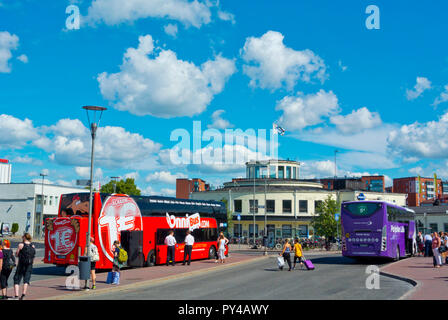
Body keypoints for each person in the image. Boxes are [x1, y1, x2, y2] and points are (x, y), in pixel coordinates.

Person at [13, 233, 35, 300]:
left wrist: (17, 254)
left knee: (16, 279)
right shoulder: (32, 245)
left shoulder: (21, 245)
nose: (22, 238)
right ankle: (23, 295)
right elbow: (33, 256)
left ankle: (16, 296)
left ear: (24, 237)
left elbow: (17, 254)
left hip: (21, 264)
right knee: (26, 280)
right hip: (29, 264)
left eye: (23, 237)